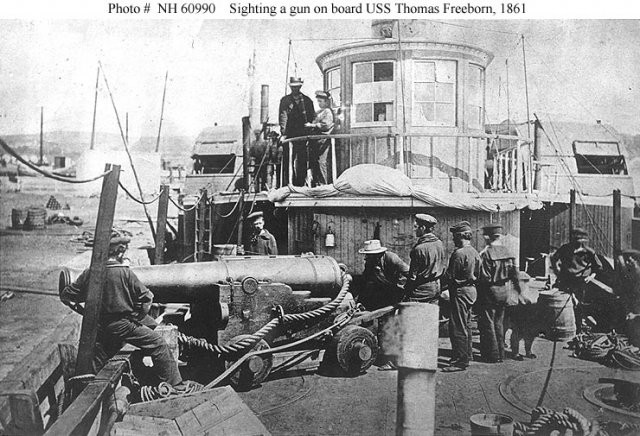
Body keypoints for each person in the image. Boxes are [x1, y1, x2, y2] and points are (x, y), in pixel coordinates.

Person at [60, 233, 183, 387]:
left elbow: (66, 296)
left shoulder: (90, 273)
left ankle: (97, 387)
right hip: (123, 325)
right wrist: (138, 316)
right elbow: (147, 298)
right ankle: (175, 385)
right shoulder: (125, 273)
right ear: (119, 252)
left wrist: (84, 312)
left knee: (101, 356)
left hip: (101, 325)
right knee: (158, 343)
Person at [477, 223, 520, 363]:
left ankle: (492, 355)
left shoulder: (486, 253)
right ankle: (501, 354)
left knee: (487, 323)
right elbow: (515, 274)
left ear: (488, 237)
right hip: (504, 291)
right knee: (499, 323)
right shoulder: (508, 251)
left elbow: (483, 277)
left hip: (490, 291)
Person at [443, 221, 480, 372]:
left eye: (454, 236)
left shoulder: (459, 253)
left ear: (460, 236)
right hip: (471, 291)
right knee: (467, 324)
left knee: (457, 326)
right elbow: (478, 274)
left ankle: (460, 361)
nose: (453, 239)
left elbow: (450, 276)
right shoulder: (474, 252)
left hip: (459, 291)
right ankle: (467, 354)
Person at [550, 227, 602, 332]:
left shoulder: (589, 252)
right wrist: (557, 271)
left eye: (579, 241)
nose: (576, 244)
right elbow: (554, 258)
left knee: (579, 305)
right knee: (564, 303)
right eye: (574, 241)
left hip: (581, 282)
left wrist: (591, 276)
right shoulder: (565, 248)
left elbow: (598, 266)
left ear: (583, 241)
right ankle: (562, 326)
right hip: (566, 280)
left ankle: (578, 328)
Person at [279, 77, 315, 186]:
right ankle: (288, 183)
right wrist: (283, 133)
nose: (295, 89)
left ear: (300, 87)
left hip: (303, 134)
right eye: (293, 87)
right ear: (290, 87)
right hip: (289, 134)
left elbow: (311, 116)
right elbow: (283, 117)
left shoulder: (307, 101)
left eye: (297, 87)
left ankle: (299, 183)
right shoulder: (285, 100)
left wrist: (310, 130)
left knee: (302, 159)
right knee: (287, 159)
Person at [405, 214, 446, 304]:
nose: (414, 229)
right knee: (432, 314)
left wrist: (406, 290)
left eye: (416, 227)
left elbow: (412, 276)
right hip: (437, 286)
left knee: (410, 312)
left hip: (422, 289)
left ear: (423, 228)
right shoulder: (439, 243)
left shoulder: (419, 248)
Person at [359, 239, 409, 310]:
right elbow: (365, 281)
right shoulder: (369, 263)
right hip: (384, 289)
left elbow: (408, 273)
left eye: (369, 255)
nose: (365, 258)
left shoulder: (391, 258)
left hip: (398, 289)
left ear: (376, 255)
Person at [304, 90, 335, 186]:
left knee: (322, 162)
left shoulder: (327, 112)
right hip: (316, 141)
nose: (319, 103)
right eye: (318, 101)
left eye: (320, 101)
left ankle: (323, 183)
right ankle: (316, 182)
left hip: (323, 141)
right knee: (314, 162)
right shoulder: (319, 112)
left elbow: (326, 125)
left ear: (326, 101)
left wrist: (312, 125)